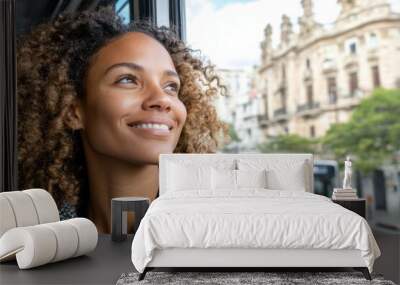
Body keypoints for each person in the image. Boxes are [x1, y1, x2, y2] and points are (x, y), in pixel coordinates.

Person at [17, 7, 228, 233]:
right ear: (72, 112)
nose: (162, 99)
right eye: (128, 80)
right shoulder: (38, 238)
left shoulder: (211, 230)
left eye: (170, 86)